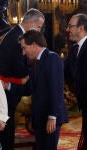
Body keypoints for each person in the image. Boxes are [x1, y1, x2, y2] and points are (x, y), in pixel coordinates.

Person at [0, 8, 45, 150]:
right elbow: (20, 70)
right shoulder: (16, 38)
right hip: (7, 94)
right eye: (39, 27)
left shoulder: (16, 34)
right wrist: (30, 78)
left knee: (7, 132)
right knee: (6, 135)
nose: (39, 31)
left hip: (9, 91)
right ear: (30, 23)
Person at [19, 29, 68, 150]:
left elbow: (56, 89)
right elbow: (31, 89)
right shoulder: (35, 62)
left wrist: (52, 116)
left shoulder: (52, 58)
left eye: (24, 48)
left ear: (34, 45)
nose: (23, 53)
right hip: (40, 117)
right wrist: (8, 86)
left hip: (50, 117)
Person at [64, 13, 87, 150]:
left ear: (81, 28)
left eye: (70, 26)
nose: (67, 30)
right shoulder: (74, 50)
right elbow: (62, 71)